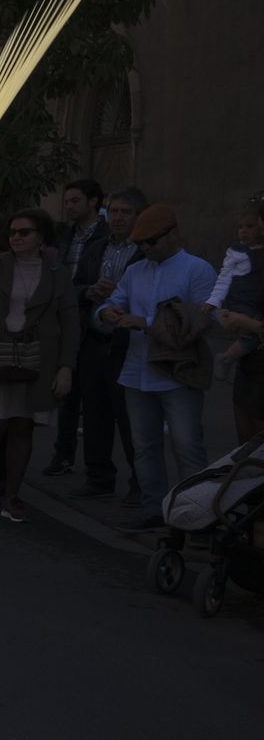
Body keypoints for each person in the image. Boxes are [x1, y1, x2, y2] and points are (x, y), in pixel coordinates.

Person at [96, 203, 217, 531]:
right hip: (137, 371)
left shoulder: (197, 270)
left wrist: (145, 323)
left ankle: (199, 514)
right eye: (141, 244)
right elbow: (114, 303)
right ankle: (154, 508)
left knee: (187, 444)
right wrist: (106, 312)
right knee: (144, 445)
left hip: (179, 373)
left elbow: (200, 321)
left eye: (151, 241)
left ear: (173, 234)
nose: (146, 248)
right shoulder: (136, 271)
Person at [0, 208, 78, 524]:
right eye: (12, 232)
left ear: (41, 237)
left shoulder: (57, 272)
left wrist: (66, 367)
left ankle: (12, 497)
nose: (15, 237)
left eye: (23, 232)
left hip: (38, 357)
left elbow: (70, 322)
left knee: (23, 427)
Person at [68, 188, 147, 501]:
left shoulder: (143, 252)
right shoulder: (96, 247)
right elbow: (73, 286)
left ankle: (141, 484)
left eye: (125, 212)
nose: (117, 218)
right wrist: (89, 291)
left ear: (139, 216)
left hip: (127, 342)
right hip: (95, 339)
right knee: (96, 413)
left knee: (129, 417)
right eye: (113, 211)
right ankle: (98, 477)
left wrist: (122, 294)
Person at [44, 179, 111, 477]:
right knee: (66, 395)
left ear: (93, 201)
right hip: (66, 318)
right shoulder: (65, 236)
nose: (69, 205)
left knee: (95, 400)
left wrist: (83, 293)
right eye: (67, 200)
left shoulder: (105, 236)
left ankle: (97, 468)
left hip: (95, 323)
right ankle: (63, 454)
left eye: (75, 200)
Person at [207, 200, 264, 443]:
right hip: (250, 364)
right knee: (246, 434)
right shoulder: (241, 255)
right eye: (241, 226)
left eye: (251, 225)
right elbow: (225, 281)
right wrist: (218, 307)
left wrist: (250, 324)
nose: (244, 231)